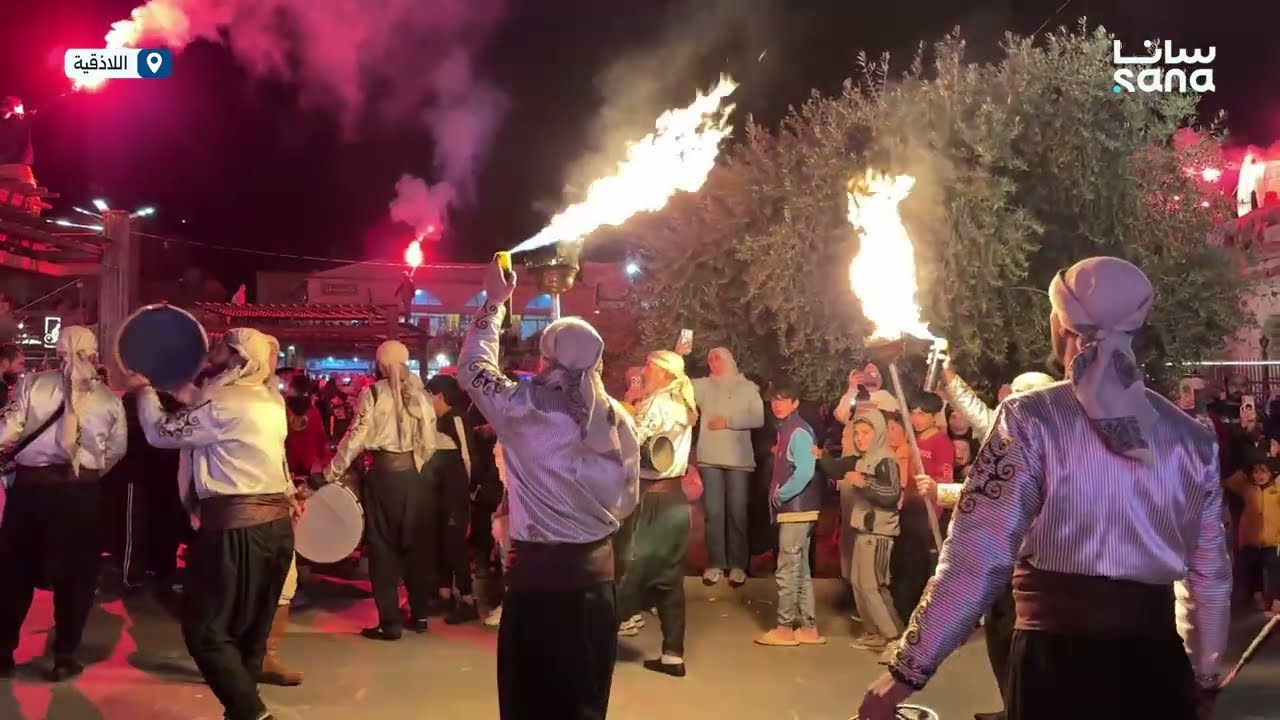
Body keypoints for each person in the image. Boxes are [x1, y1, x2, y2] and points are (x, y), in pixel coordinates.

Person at [860, 257, 1231, 720]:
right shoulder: (1192, 439)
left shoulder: (1027, 420)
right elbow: (1209, 578)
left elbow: (975, 562)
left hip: (1055, 669)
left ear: (1061, 325)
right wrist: (1204, 674)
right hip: (1155, 669)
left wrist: (903, 675)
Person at [458, 258, 640, 720]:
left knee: (528, 706)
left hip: (536, 589)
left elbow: (473, 365)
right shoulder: (619, 418)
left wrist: (495, 304)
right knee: (584, 706)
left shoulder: (521, 407)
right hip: (595, 587)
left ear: (546, 357)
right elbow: (629, 499)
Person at [132, 328, 297, 720]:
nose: (213, 353)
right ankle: (242, 709)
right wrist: (170, 383)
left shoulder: (225, 402)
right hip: (275, 526)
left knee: (205, 631)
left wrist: (142, 391)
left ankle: (251, 713)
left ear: (237, 358)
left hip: (236, 527)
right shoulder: (269, 399)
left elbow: (161, 432)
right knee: (250, 631)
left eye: (223, 347)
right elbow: (204, 405)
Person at [0, 327, 125, 681]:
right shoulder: (108, 399)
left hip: (31, 494)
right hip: (80, 498)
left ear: (57, 350)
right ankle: (65, 656)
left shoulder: (32, 385)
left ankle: (3, 652)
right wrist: (88, 473)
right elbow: (116, 451)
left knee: (14, 575)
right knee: (77, 579)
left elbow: (6, 431)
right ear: (94, 353)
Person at [938, 364, 1055, 720]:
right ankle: (1010, 705)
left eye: (1021, 397)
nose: (1011, 404)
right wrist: (948, 378)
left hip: (1036, 569)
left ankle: (1022, 710)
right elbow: (979, 416)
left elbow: (1012, 498)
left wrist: (944, 492)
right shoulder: (1010, 434)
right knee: (999, 638)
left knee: (1023, 646)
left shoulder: (1053, 445)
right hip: (1004, 562)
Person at [318, 340, 436, 640]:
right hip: (416, 478)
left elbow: (355, 438)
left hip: (384, 478)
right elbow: (430, 441)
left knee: (384, 550)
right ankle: (420, 615)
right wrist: (417, 467)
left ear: (380, 364)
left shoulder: (373, 393)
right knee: (416, 548)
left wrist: (330, 472)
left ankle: (389, 623)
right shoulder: (421, 395)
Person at [616, 349, 697, 677]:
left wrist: (624, 407)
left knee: (627, 571)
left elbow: (629, 441)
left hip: (652, 500)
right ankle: (672, 655)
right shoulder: (682, 406)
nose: (644, 371)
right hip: (676, 499)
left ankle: (589, 648)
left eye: (649, 366)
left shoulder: (658, 404)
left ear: (664, 374)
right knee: (669, 579)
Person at [755, 377, 826, 647]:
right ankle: (808, 628)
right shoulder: (790, 429)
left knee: (787, 569)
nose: (778, 404)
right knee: (801, 570)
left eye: (784, 399)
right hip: (799, 510)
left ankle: (784, 628)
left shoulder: (797, 431)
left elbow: (805, 472)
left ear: (795, 403)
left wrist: (780, 494)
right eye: (775, 399)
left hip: (796, 509)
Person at [691, 347, 765, 586]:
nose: (713, 362)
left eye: (718, 357)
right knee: (713, 513)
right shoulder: (703, 387)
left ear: (730, 360)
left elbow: (758, 418)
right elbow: (678, 383)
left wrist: (728, 422)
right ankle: (715, 564)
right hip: (710, 458)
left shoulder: (747, 388)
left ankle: (737, 565)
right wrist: (679, 354)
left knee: (737, 514)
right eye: (709, 358)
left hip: (739, 461)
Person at [425, 373, 480, 625]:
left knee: (455, 545)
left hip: (455, 493)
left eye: (429, 397)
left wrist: (466, 490)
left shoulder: (456, 418)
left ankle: (468, 600)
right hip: (439, 492)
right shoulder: (436, 421)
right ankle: (444, 593)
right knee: (439, 541)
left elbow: (468, 457)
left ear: (439, 396)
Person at [1224, 448, 1280, 614]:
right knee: (1254, 569)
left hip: (1273, 539)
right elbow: (1228, 482)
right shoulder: (1246, 486)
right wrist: (1245, 468)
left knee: (1275, 569)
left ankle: (1277, 600)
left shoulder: (1277, 487)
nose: (1260, 475)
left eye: (1264, 471)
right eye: (1255, 472)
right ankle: (1258, 596)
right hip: (1251, 538)